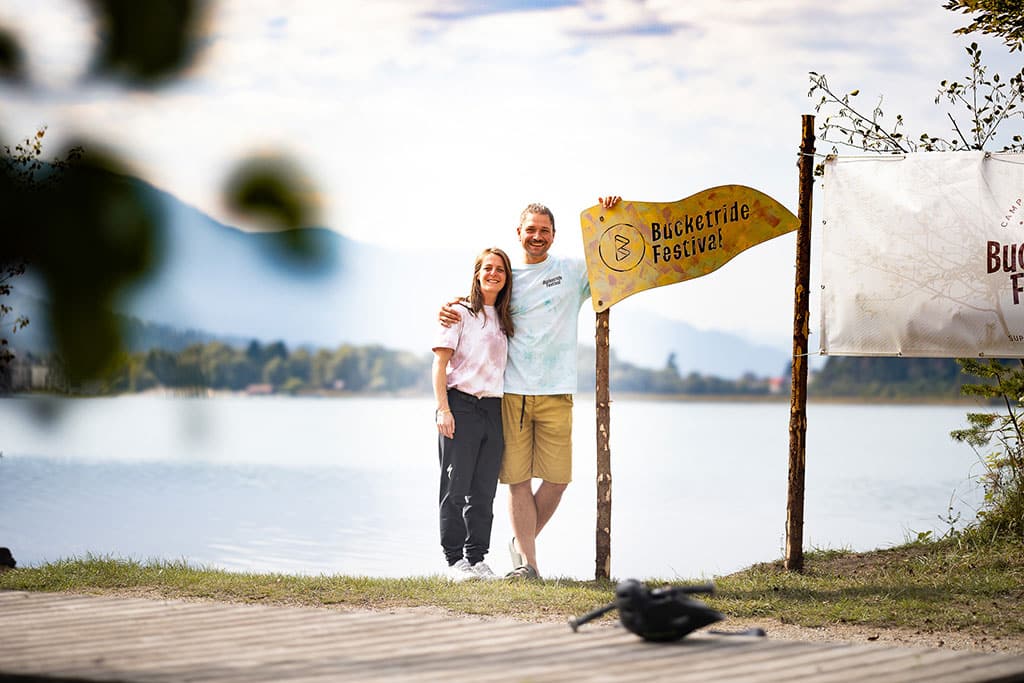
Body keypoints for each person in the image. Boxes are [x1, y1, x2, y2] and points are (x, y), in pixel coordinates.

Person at [440, 196, 621, 579]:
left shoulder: (571, 271)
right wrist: (452, 304)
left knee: (557, 480)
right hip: (512, 395)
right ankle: (529, 566)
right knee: (517, 481)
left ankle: (520, 544)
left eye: (544, 230)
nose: (537, 236)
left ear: (554, 235)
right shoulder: (507, 279)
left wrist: (612, 215)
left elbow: (614, 261)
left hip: (558, 391)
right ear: (519, 233)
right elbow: (480, 301)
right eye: (531, 230)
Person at [432, 247, 515, 581]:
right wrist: (443, 409)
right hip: (461, 406)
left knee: (483, 491)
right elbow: (439, 364)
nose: (494, 274)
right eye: (488, 268)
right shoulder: (459, 312)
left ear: (507, 278)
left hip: (493, 409)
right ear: (477, 274)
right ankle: (454, 561)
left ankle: (477, 558)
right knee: (455, 487)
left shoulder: (508, 317)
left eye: (501, 269)